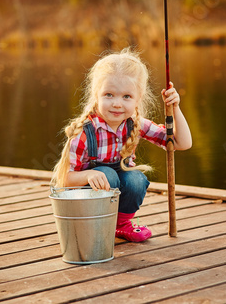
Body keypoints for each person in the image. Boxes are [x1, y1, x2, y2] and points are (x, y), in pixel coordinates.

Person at [52, 48, 192, 242]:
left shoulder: (135, 123)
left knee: (136, 179)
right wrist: (89, 174)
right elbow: (64, 180)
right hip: (87, 204)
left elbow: (181, 143)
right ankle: (99, 223)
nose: (117, 104)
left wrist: (175, 108)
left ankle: (120, 225)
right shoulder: (84, 132)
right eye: (109, 95)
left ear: (138, 99)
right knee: (107, 174)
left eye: (126, 97)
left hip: (113, 193)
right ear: (96, 95)